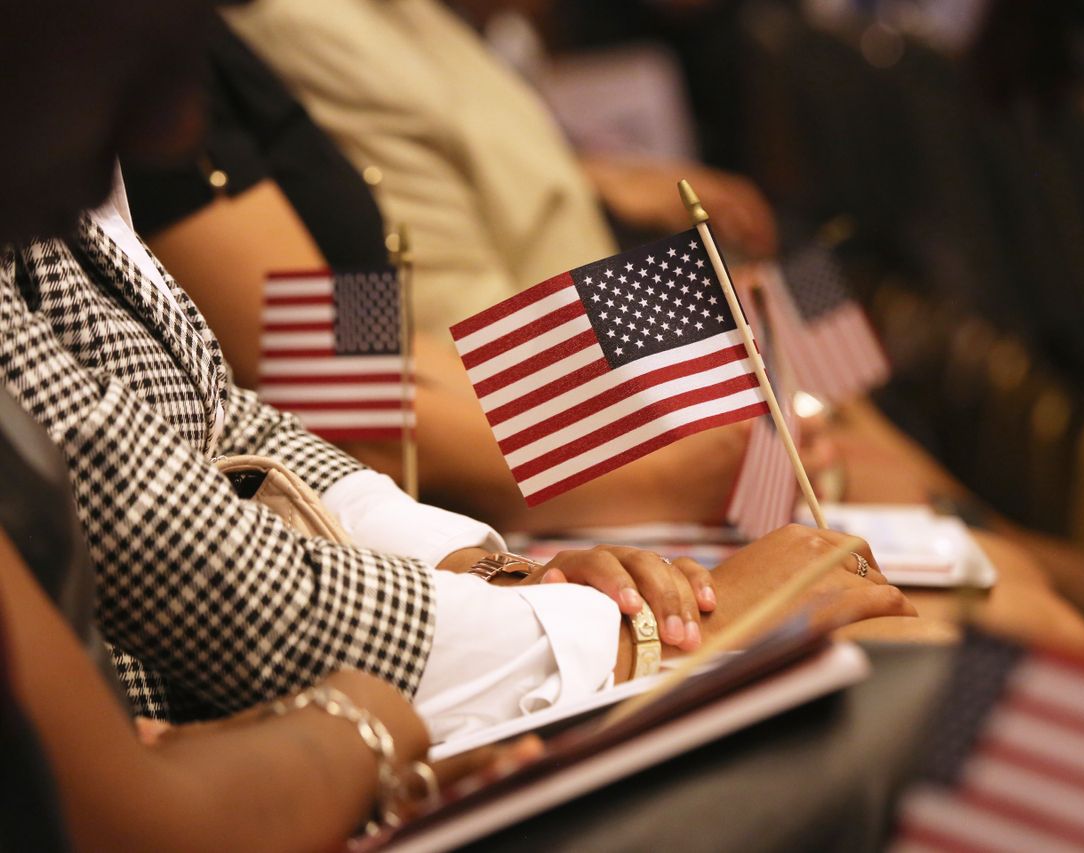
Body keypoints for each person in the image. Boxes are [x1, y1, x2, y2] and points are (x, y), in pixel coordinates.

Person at [0, 0, 919, 738]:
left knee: (809, 323)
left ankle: (991, 517)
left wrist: (593, 179)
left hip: (464, 488)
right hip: (488, 465)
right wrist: (656, 480)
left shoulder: (421, 25)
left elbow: (280, 370)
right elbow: (340, 380)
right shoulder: (281, 34)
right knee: (924, 650)